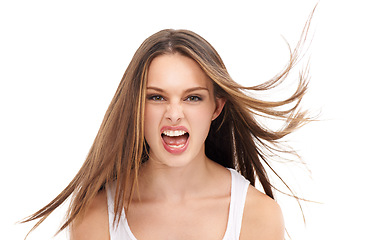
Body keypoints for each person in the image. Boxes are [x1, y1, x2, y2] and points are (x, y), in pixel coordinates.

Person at [22, 26, 312, 240]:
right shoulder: (96, 215)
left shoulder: (257, 214)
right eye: (156, 97)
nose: (174, 113)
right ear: (135, 108)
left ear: (216, 108)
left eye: (192, 97)